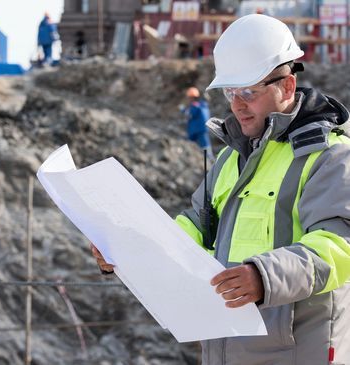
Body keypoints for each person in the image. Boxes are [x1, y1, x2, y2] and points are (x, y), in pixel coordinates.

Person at [92, 14, 350, 365]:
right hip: (224, 347)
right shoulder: (231, 157)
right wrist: (129, 249)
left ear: (287, 87)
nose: (237, 105)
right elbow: (196, 227)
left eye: (249, 92)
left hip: (298, 351)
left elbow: (339, 245)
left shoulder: (329, 156)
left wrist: (263, 276)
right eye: (230, 92)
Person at [181, 87, 215, 162]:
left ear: (191, 97)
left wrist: (183, 110)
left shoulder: (195, 106)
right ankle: (209, 159)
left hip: (196, 129)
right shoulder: (203, 105)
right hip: (203, 128)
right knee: (206, 145)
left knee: (199, 146)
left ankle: (209, 161)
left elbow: (189, 115)